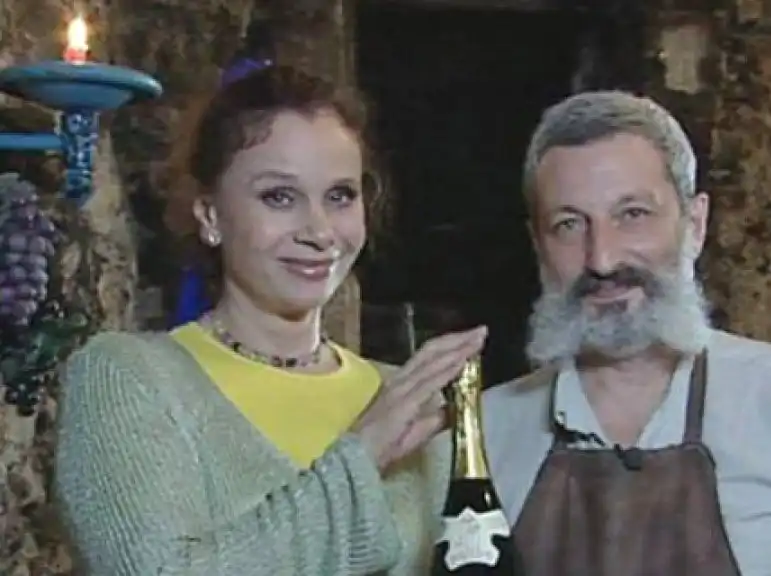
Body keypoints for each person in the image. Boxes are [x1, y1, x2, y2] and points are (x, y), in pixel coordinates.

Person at [54, 64, 484, 575]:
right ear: (210, 215)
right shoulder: (129, 378)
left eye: (340, 196)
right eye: (279, 197)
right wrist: (362, 456)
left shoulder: (407, 398)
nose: (319, 231)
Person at [482, 91, 771, 576]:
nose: (603, 259)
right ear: (539, 245)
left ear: (695, 225)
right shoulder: (484, 434)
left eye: (633, 214)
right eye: (569, 224)